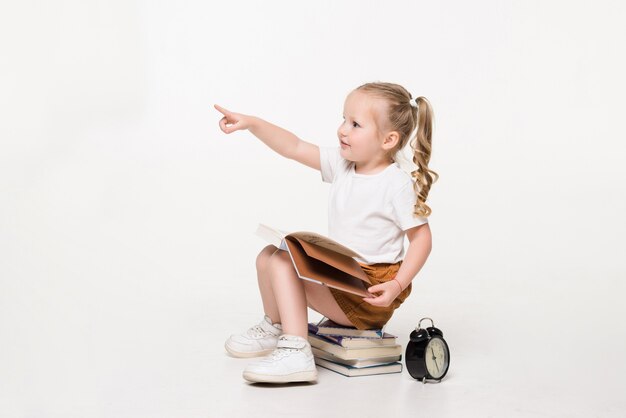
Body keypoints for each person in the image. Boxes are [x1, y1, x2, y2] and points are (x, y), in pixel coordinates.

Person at [214, 81, 437, 384]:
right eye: (343, 119)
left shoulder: (394, 183)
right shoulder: (344, 165)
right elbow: (293, 146)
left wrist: (397, 285)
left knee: (282, 262)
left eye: (355, 124)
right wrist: (252, 124)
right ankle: (277, 326)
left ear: (388, 140)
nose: (342, 129)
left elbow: (421, 238)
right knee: (268, 255)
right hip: (342, 277)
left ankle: (296, 350)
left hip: (367, 293)